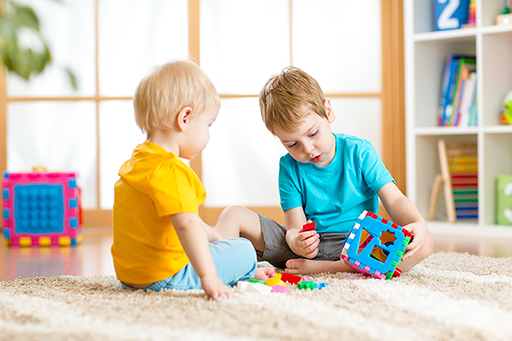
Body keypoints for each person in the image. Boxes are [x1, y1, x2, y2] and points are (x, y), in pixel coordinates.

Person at [217, 66, 433, 275]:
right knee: (232, 214)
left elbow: (393, 199)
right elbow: (294, 225)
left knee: (424, 244)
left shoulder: (359, 151)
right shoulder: (288, 167)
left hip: (360, 243)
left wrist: (417, 223)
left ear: (328, 112)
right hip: (310, 248)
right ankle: (217, 267)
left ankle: (331, 268)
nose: (308, 149)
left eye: (312, 134)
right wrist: (297, 242)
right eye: (292, 145)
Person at [111, 60, 274, 300]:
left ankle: (235, 268)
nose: (208, 134)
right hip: (167, 277)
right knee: (244, 249)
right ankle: (245, 270)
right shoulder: (171, 170)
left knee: (212, 247)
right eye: (208, 124)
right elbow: (186, 225)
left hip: (131, 276)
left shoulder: (139, 162)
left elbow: (187, 221)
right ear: (185, 118)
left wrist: (218, 239)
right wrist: (209, 277)